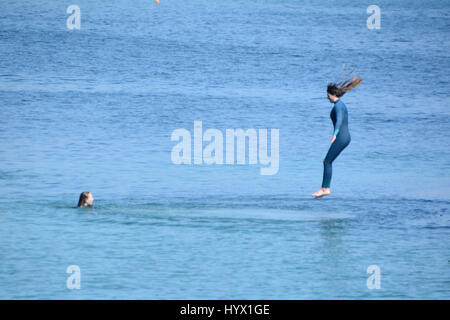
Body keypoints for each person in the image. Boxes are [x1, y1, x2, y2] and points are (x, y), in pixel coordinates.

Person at [312, 76, 362, 198]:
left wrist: (335, 135)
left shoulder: (338, 106)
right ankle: (325, 188)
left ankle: (325, 188)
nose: (326, 97)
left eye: (327, 94)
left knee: (327, 161)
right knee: (328, 161)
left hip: (341, 137)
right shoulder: (340, 104)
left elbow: (339, 120)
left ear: (331, 94)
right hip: (344, 137)